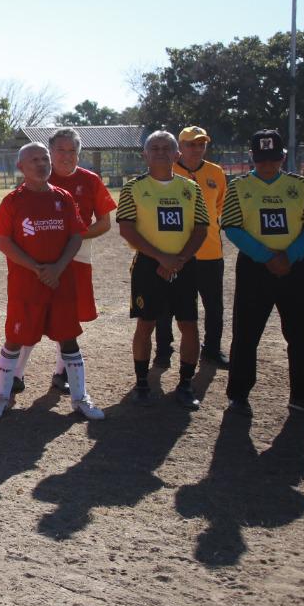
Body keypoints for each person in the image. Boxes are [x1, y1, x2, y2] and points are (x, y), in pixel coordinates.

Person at [0, 143, 105, 421]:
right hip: (26, 286)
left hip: (61, 283)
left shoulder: (63, 198)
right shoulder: (13, 201)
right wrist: (38, 269)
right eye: (34, 160)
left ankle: (80, 398)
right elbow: (4, 242)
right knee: (15, 340)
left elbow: (77, 235)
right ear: (21, 167)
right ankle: (1, 396)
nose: (41, 164)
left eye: (44, 159)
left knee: (69, 339)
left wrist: (58, 267)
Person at [221, 130, 304, 418]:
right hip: (256, 270)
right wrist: (267, 257)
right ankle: (238, 395)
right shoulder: (239, 187)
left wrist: (288, 256)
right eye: (261, 159)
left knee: (299, 335)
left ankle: (302, 397)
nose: (267, 165)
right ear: (252, 157)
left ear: (282, 157)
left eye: (273, 159)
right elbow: (231, 226)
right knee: (246, 334)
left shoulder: (299, 185)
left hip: (296, 269)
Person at [12, 128, 117, 394]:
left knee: (67, 318)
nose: (66, 156)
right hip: (42, 259)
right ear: (49, 152)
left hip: (77, 257)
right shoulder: (37, 178)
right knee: (33, 316)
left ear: (79, 153)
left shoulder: (90, 180)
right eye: (60, 150)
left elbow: (104, 223)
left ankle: (61, 373)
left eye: (72, 151)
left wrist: (72, 238)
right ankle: (16, 374)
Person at [115, 130, 210, 409]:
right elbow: (126, 229)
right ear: (144, 155)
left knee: (189, 325)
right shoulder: (134, 188)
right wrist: (161, 258)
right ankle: (142, 383)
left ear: (176, 155)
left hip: (184, 265)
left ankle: (184, 384)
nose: (160, 152)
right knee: (146, 324)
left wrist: (178, 260)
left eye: (166, 148)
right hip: (148, 266)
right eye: (153, 148)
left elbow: (201, 229)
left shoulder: (191, 188)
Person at [154, 126, 229, 368]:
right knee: (166, 306)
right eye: (190, 144)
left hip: (209, 252)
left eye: (201, 144)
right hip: (174, 253)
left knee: (213, 306)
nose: (196, 149)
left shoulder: (215, 172)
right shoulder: (167, 171)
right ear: (179, 148)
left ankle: (212, 349)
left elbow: (218, 207)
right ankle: (164, 350)